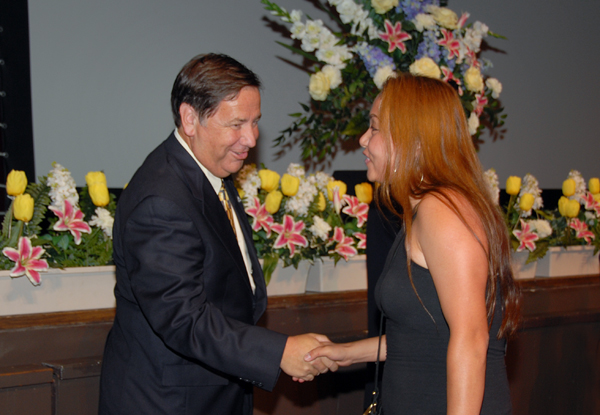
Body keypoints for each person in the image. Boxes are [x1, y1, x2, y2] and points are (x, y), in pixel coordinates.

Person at [99, 53, 335, 415]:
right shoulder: (161, 200)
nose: (251, 138)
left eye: (255, 122)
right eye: (236, 124)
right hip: (168, 403)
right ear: (190, 118)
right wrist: (278, 353)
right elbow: (183, 318)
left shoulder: (209, 170)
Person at [306, 74, 520, 414]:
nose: (363, 139)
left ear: (412, 139)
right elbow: (423, 338)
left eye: (374, 128)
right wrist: (346, 353)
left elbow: (472, 340)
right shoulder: (424, 209)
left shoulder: (441, 210)